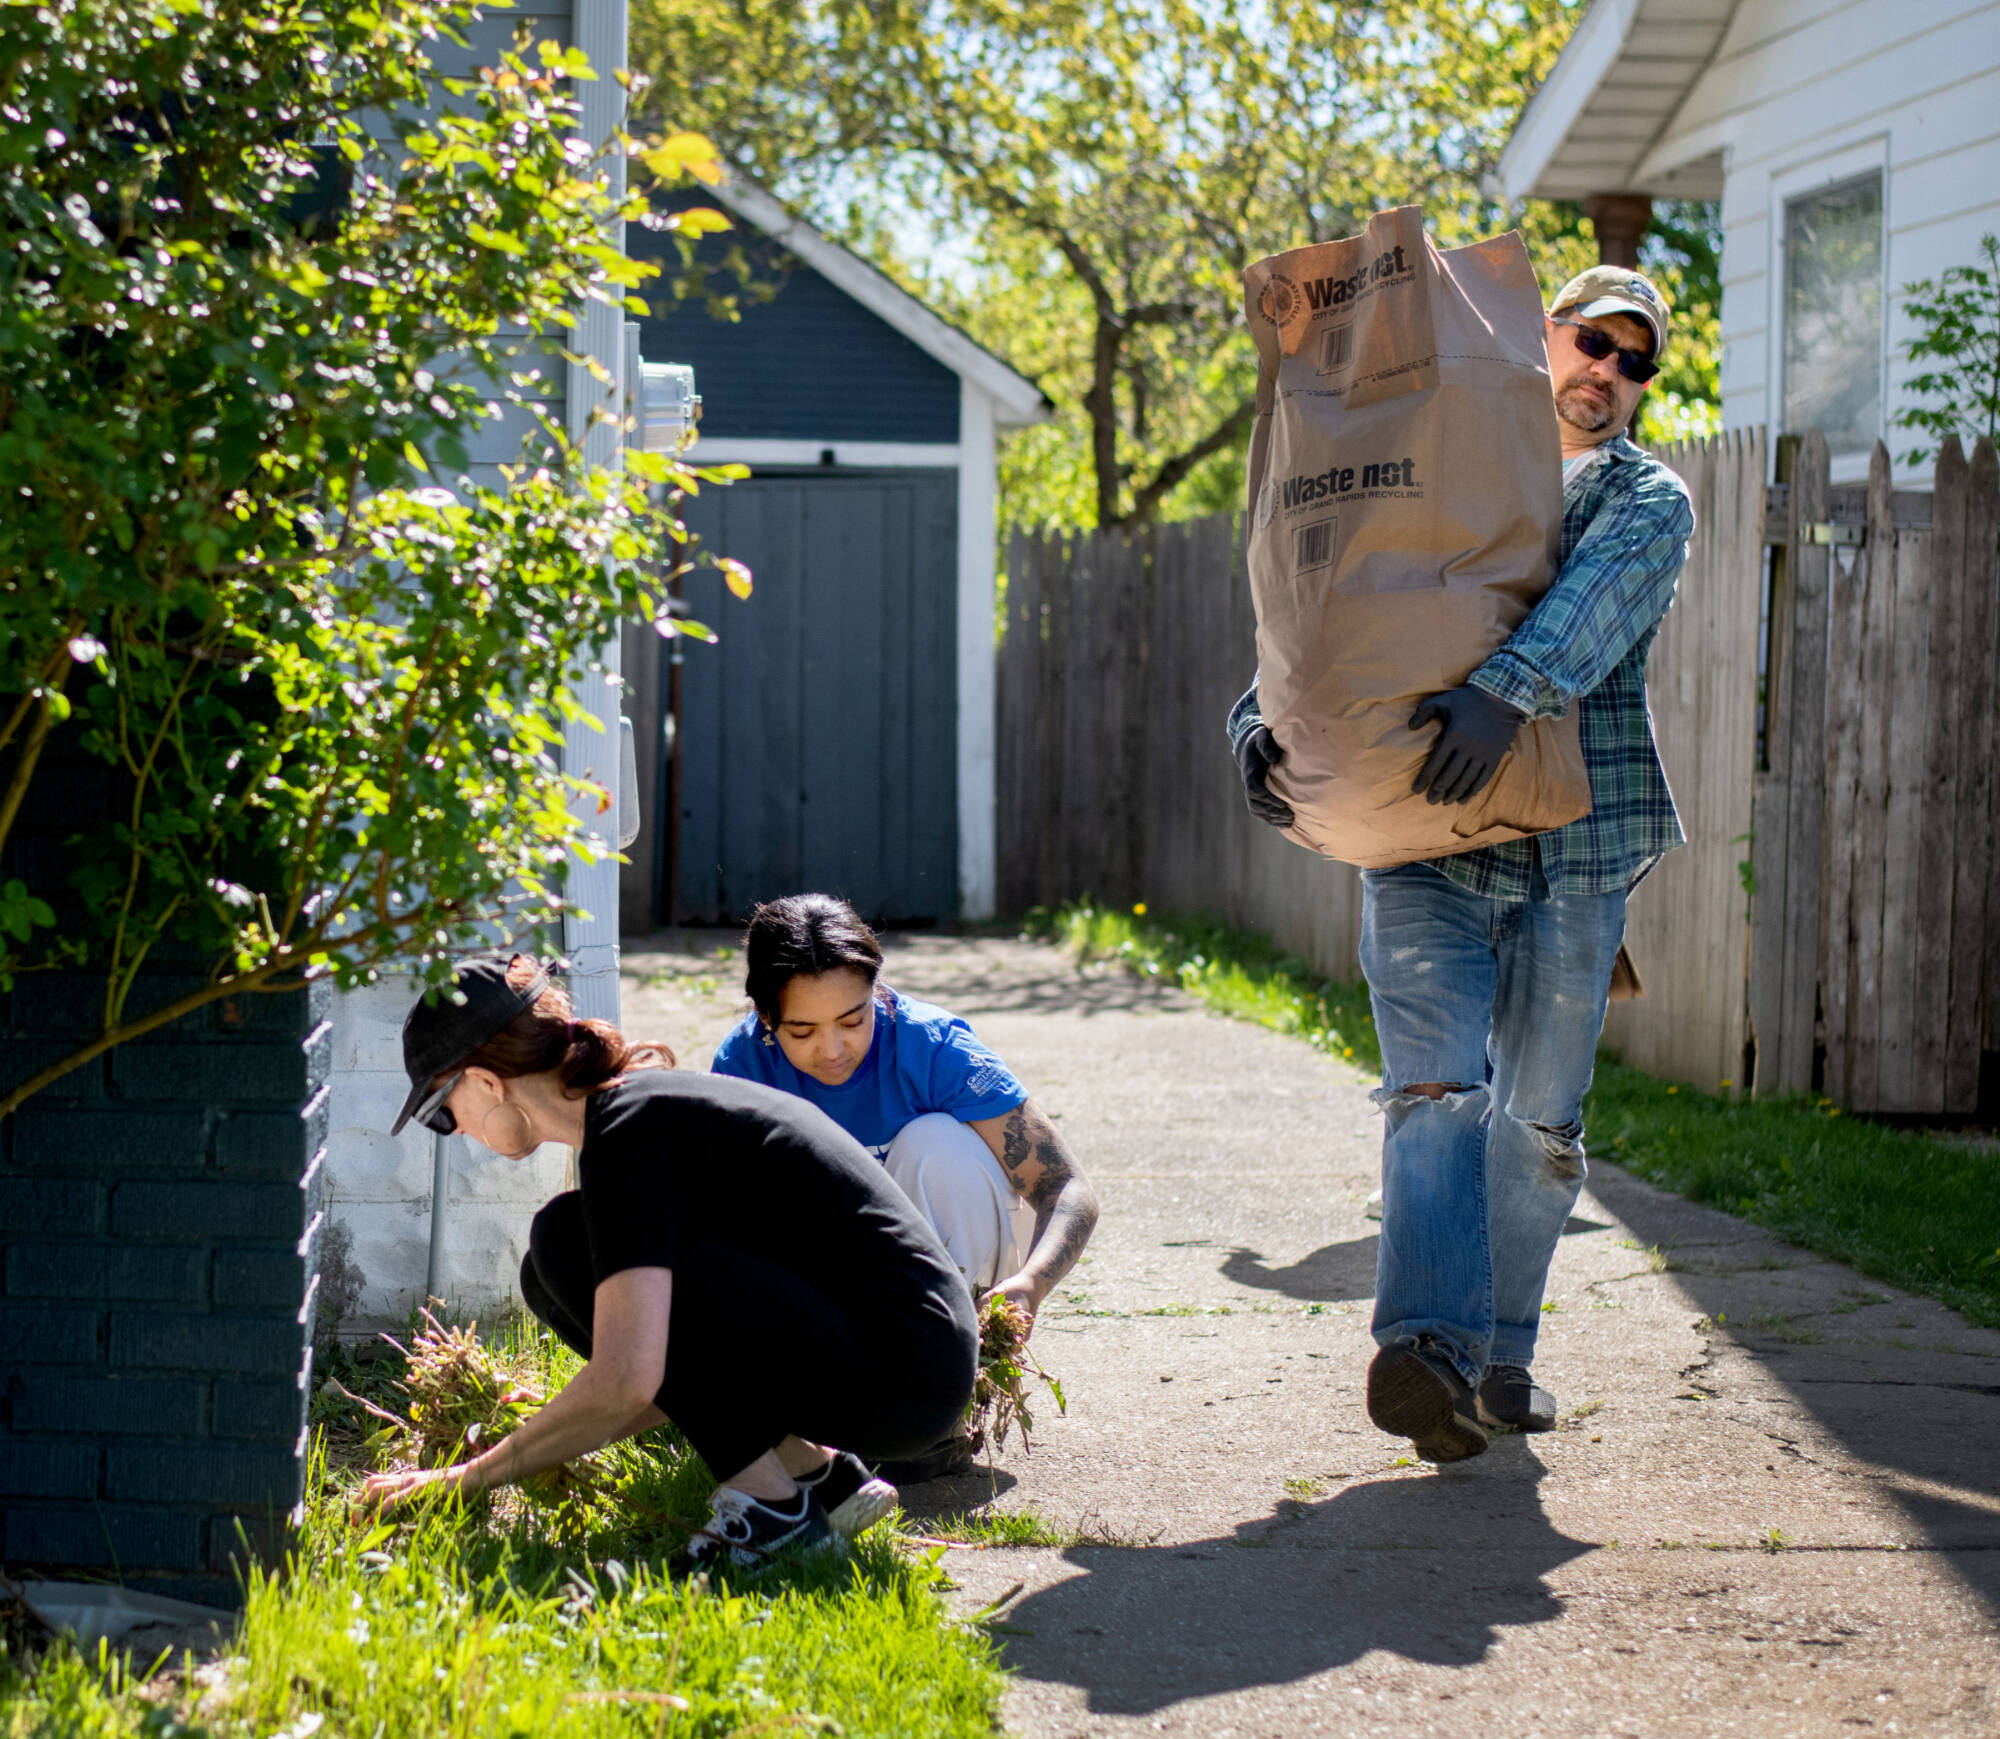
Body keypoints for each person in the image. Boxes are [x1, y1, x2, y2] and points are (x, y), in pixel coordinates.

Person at [1229, 265, 1695, 1464]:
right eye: (1591, 340)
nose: (1606, 371)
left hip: (1573, 851)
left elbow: (1585, 611)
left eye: (1634, 360)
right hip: (1417, 830)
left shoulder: (1648, 501)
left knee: (1535, 1122)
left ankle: (1501, 1358)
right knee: (1433, 1093)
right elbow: (1331, 608)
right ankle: (1426, 1351)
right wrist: (1256, 726)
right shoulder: (1432, 455)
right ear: (1542, 336)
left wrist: (1503, 693)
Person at [358, 954, 979, 1565]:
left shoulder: (629, 1130)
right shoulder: (638, 1113)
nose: (455, 1130)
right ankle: (815, 1477)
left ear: (487, 1082)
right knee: (552, 1272)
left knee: (563, 1244)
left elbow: (631, 1380)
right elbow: (683, 1367)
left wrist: (467, 1479)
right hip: (908, 1364)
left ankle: (769, 1510)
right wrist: (544, 1433)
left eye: (441, 1113)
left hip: (904, 1369)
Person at [709, 895, 1098, 1477]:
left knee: (940, 1141)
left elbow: (1066, 1187)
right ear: (766, 1019)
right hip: (827, 1297)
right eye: (802, 1030)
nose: (833, 1050)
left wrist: (1031, 1283)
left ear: (876, 993)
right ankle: (823, 1407)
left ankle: (943, 1394)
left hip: (942, 1280)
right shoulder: (744, 1067)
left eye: (852, 1019)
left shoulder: (934, 1046)